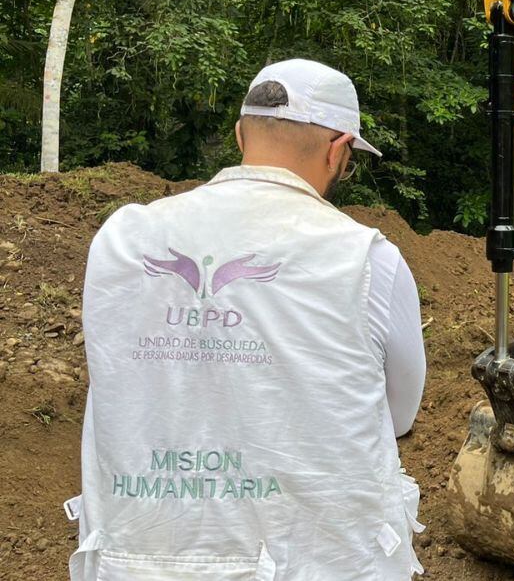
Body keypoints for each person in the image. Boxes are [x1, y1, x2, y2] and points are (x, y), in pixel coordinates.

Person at [70, 59, 427, 580]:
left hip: (138, 558)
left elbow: (116, 381)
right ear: (337, 151)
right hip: (316, 563)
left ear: (240, 134)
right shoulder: (362, 258)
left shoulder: (123, 239)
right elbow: (398, 414)